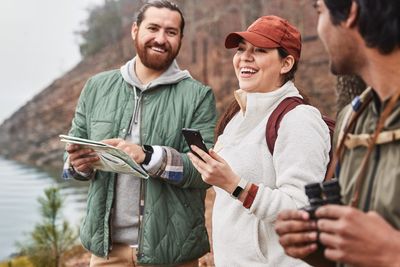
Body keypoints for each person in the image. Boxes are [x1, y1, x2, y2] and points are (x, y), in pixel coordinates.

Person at [63, 1, 216, 266]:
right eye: (153, 28)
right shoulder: (96, 87)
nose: (160, 38)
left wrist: (147, 155)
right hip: (106, 253)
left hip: (173, 254)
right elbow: (73, 161)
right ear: (135, 30)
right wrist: (78, 166)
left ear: (180, 38)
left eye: (171, 31)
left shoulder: (198, 96)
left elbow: (203, 172)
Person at [187, 15, 331, 266]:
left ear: (286, 63)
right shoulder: (236, 115)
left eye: (260, 51)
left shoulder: (299, 120)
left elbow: (300, 209)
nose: (244, 57)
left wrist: (233, 184)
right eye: (241, 50)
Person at [275, 0, 400, 266]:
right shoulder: (353, 119)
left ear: (351, 12)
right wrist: (319, 248)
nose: (318, 29)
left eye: (319, 11)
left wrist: (392, 252)